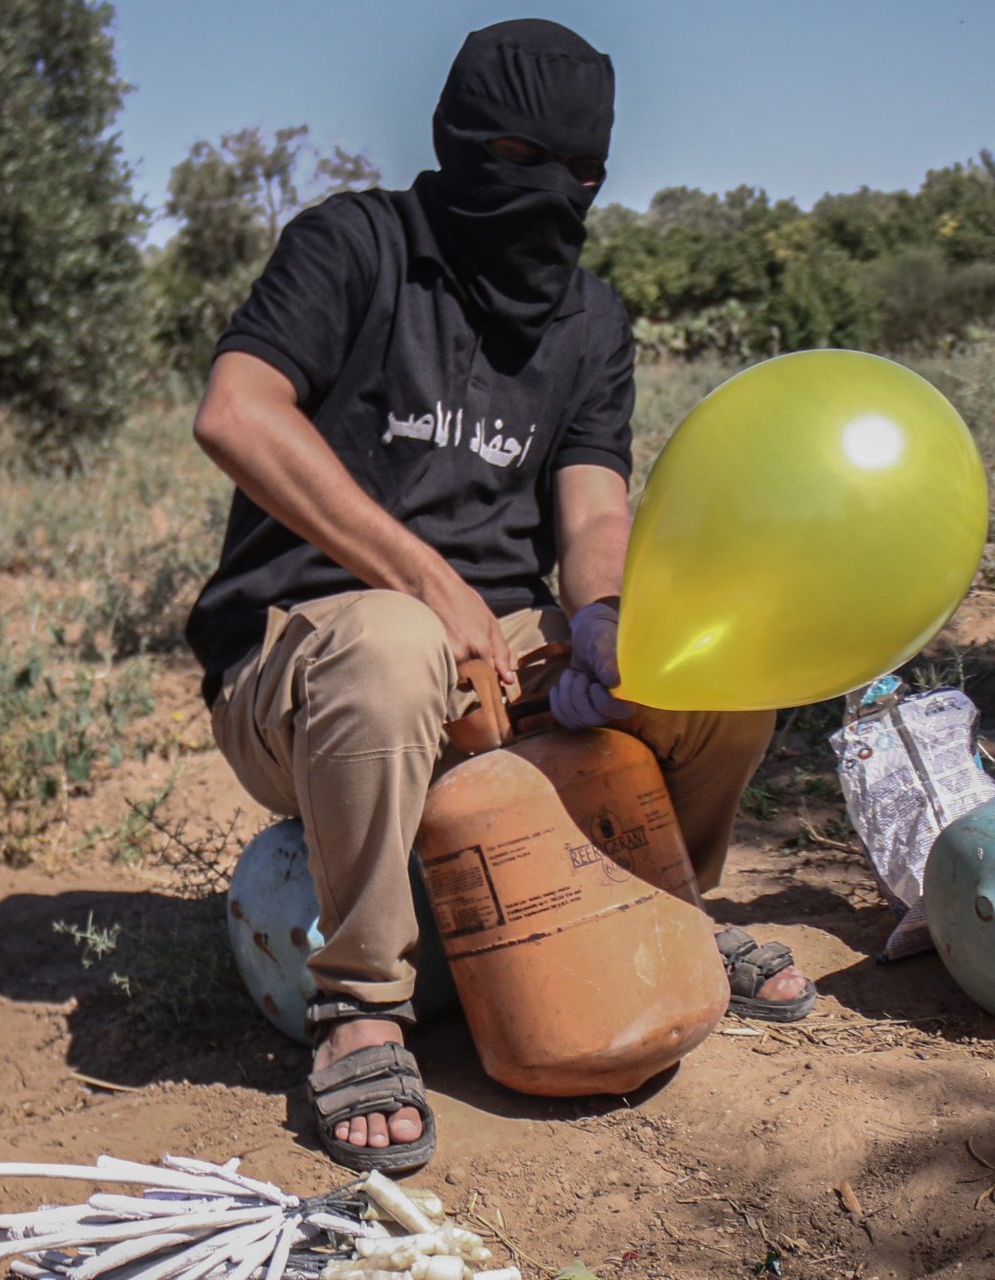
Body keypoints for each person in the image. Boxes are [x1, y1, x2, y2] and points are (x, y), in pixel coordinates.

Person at [184, 18, 812, 1174]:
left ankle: (668, 907)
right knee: (389, 642)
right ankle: (361, 1002)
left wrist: (610, 615)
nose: (558, 197)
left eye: (585, 177)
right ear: (466, 142)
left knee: (710, 676)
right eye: (528, 162)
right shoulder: (358, 246)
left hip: (496, 650)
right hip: (304, 654)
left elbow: (592, 510)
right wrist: (425, 579)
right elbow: (236, 411)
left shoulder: (589, 317)